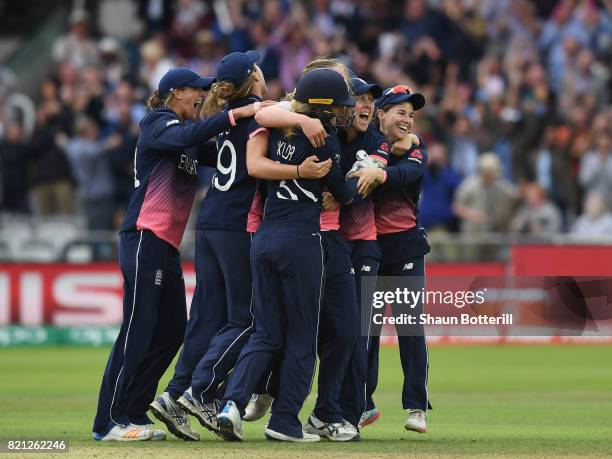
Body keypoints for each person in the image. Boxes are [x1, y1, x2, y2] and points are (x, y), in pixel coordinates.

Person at [149, 52, 329, 441]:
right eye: (258, 67)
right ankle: (200, 391)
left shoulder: (229, 113)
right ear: (253, 78)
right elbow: (271, 117)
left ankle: (174, 393)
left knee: (207, 317)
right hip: (236, 226)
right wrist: (301, 116)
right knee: (247, 320)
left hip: (210, 219)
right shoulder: (257, 109)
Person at [92, 67, 261, 441]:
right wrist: (235, 113)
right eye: (195, 90)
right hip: (143, 238)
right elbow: (193, 133)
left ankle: (135, 412)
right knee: (137, 331)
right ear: (174, 93)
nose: (201, 95)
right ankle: (110, 422)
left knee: (170, 332)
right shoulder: (157, 122)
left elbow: (226, 155)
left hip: (166, 245)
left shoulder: (186, 137)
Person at [216, 68, 357, 442]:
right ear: (323, 107)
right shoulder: (326, 141)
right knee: (302, 337)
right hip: (302, 241)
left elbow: (263, 121)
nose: (345, 112)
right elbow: (344, 194)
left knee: (265, 333)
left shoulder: (275, 129)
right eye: (340, 106)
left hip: (264, 238)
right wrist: (360, 176)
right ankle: (284, 422)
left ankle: (231, 405)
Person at [349, 84, 432, 433]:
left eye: (411, 115)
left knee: (410, 331)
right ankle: (363, 404)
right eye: (400, 112)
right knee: (365, 332)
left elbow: (408, 174)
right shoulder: (364, 143)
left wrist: (381, 172)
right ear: (380, 113)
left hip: (405, 250)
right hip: (368, 248)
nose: (407, 120)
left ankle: (417, 407)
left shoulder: (415, 148)